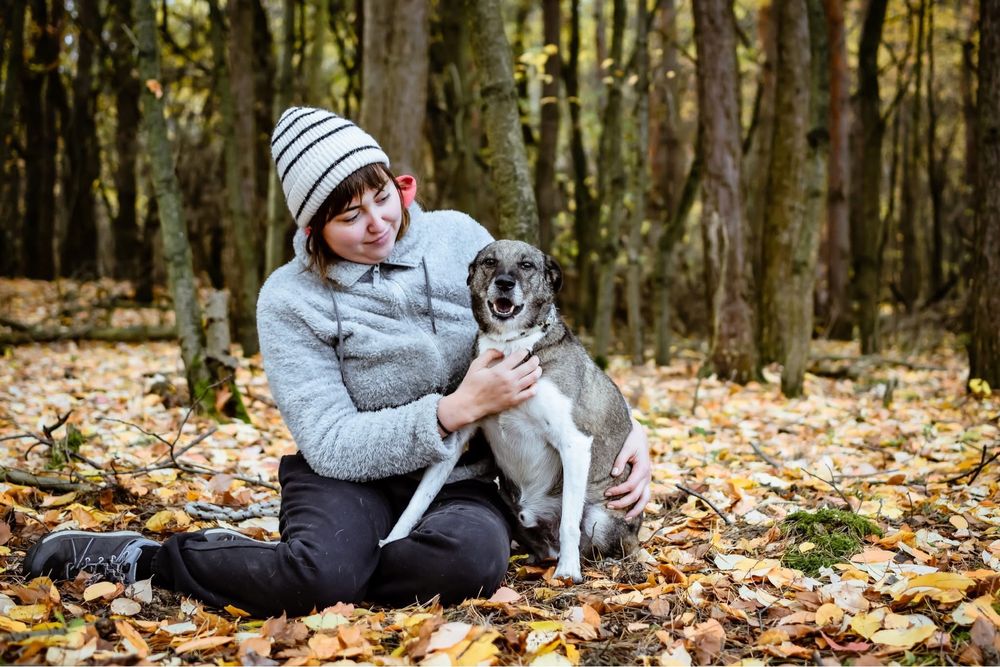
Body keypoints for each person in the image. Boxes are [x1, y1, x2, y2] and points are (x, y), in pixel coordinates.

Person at [22, 107, 651, 617]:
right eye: (350, 217)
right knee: (319, 576)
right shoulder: (289, 300)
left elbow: (541, 333)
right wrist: (450, 410)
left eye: (381, 196)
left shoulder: (461, 237)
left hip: (458, 482)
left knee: (471, 564)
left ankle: (327, 570)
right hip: (344, 479)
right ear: (314, 228)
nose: (378, 223)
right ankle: (151, 559)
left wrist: (626, 428)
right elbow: (328, 440)